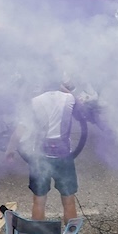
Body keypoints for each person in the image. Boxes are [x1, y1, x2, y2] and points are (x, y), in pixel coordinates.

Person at [16, 87, 80, 224]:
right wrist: (65, 88)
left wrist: (10, 148)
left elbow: (23, 127)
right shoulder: (69, 98)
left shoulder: (35, 101)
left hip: (41, 156)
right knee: (69, 202)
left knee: (39, 202)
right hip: (63, 156)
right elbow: (81, 108)